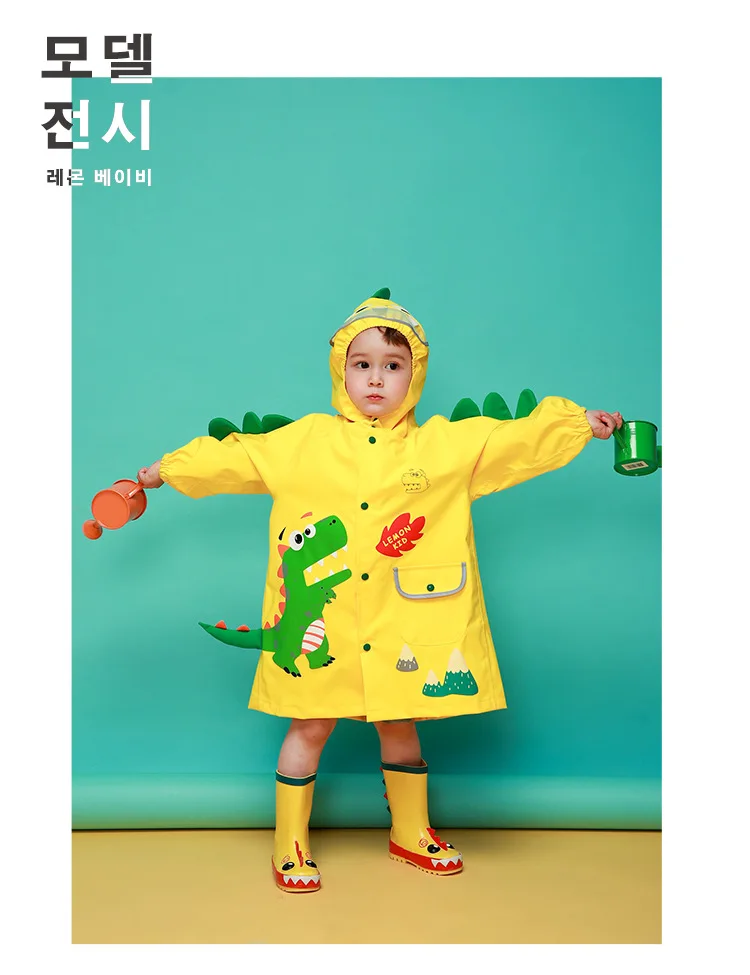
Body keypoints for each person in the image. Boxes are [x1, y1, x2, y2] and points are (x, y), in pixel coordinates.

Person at [137, 287, 622, 892]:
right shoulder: (301, 443)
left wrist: (578, 426)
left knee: (399, 723)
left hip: (401, 622)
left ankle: (410, 830)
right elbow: (237, 457)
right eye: (361, 364)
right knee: (310, 725)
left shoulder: (446, 446)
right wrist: (166, 471)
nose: (375, 379)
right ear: (340, 371)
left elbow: (515, 441)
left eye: (393, 366)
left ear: (414, 377)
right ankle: (290, 842)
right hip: (325, 626)